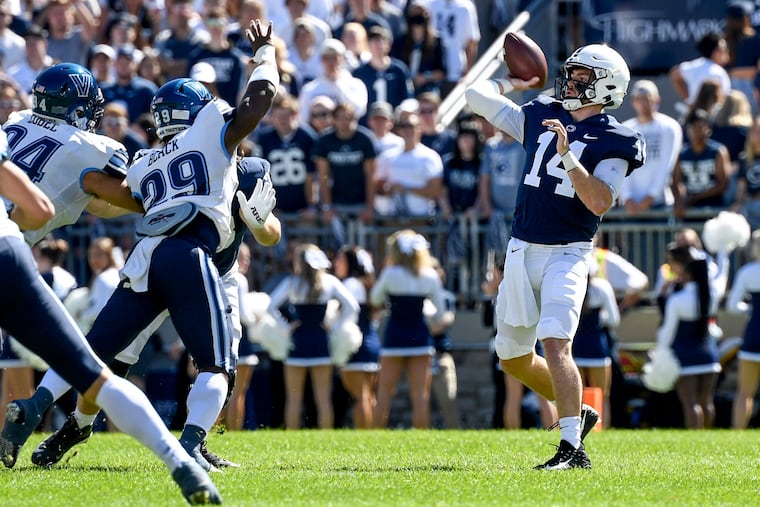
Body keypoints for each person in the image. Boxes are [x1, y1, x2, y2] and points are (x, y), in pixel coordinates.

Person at [6, 20, 280, 472]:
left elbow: (119, 198)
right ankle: (189, 445)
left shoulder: (144, 160)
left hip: (146, 255)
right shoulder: (215, 132)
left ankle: (39, 407)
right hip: (193, 255)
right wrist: (266, 54)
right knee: (216, 366)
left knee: (94, 355)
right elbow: (258, 102)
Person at [0, 130, 221, 503]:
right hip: (7, 252)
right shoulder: (80, 143)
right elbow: (39, 210)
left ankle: (44, 409)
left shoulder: (18, 121)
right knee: (94, 372)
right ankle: (180, 464)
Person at [465, 43, 644, 468]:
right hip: (521, 249)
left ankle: (572, 448)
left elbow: (599, 201)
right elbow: (476, 95)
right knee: (511, 357)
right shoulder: (544, 112)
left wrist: (567, 156)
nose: (571, 82)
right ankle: (577, 412)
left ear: (605, 86)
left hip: (568, 252)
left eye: (582, 77)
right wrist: (515, 81)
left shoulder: (617, 138)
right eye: (572, 73)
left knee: (556, 342)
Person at [267, 243, 360, 429]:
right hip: (320, 343)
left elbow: (270, 307)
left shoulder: (292, 283)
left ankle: (291, 442)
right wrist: (334, 328)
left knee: (293, 399)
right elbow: (353, 307)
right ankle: (326, 440)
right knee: (323, 399)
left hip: (298, 342)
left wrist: (286, 327)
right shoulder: (330, 282)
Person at [370, 230, 452, 429]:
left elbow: (374, 299)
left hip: (394, 338)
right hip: (420, 339)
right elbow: (440, 311)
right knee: (420, 396)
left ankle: (374, 439)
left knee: (383, 394)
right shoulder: (430, 276)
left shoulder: (390, 274)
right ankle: (421, 439)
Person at [656, 244, 721, 429]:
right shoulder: (710, 297)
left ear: (687, 273)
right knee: (706, 401)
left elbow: (667, 333)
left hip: (685, 355)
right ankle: (708, 439)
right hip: (710, 354)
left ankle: (696, 439)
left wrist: (661, 352)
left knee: (690, 402)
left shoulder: (677, 300)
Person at [334, 245, 380, 429]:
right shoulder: (365, 284)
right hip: (371, 340)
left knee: (361, 395)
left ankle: (366, 437)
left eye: (340, 259)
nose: (336, 263)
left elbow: (347, 314)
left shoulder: (350, 284)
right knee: (368, 395)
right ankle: (373, 434)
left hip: (356, 344)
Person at [620, 80, 682, 215]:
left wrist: (650, 197)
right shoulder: (626, 128)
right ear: (633, 102)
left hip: (660, 203)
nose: (643, 103)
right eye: (639, 99)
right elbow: (623, 165)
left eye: (647, 98)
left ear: (657, 100)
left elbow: (667, 165)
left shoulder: (669, 127)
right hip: (630, 206)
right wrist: (627, 197)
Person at [572, 258, 620, 429]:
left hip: (576, 349)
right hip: (598, 349)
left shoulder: (571, 288)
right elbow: (614, 320)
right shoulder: (602, 288)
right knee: (602, 395)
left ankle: (580, 432)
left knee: (578, 396)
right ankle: (602, 429)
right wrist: (600, 319)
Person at [726, 230, 760, 428]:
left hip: (754, 332)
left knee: (744, 392)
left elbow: (732, 305)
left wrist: (751, 310)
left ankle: (737, 433)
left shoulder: (747, 272)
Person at [673, 108, 729, 219]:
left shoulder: (717, 152)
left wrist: (697, 197)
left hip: (713, 207)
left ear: (707, 128)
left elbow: (723, 184)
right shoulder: (682, 154)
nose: (695, 131)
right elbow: (676, 182)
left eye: (699, 127)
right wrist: (680, 200)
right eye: (692, 127)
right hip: (689, 209)